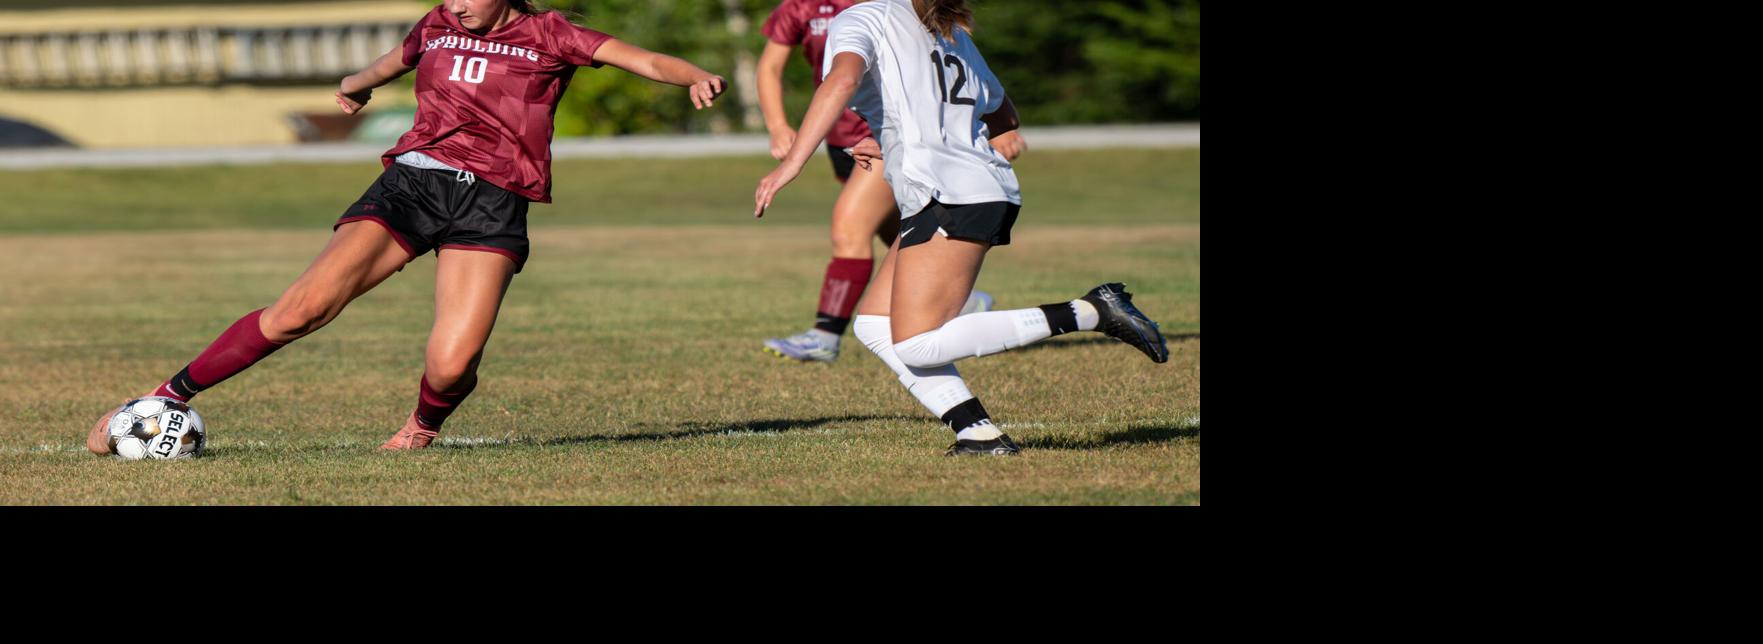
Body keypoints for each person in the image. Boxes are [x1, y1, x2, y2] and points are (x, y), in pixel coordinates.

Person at [87, 0, 726, 454]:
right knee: (299, 311)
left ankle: (421, 428)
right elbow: (393, 61)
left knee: (452, 365)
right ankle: (163, 397)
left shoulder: (552, 33)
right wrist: (355, 86)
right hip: (412, 185)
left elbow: (642, 60)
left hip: (493, 204)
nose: (456, 4)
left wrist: (693, 75)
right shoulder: (439, 24)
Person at [754, 0, 1166, 455]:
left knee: (916, 345)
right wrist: (895, 136)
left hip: (950, 192)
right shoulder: (949, 29)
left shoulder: (860, 17)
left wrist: (793, 163)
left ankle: (1090, 311)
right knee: (874, 325)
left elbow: (843, 79)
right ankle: (978, 433)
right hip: (966, 187)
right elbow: (1004, 117)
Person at [754, 0, 1020, 363]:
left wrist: (793, 163)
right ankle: (965, 300)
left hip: (908, 145)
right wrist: (777, 126)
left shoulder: (885, 11)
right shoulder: (802, 7)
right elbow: (770, 67)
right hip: (847, 138)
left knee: (849, 228)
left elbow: (848, 79)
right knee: (900, 236)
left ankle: (824, 335)